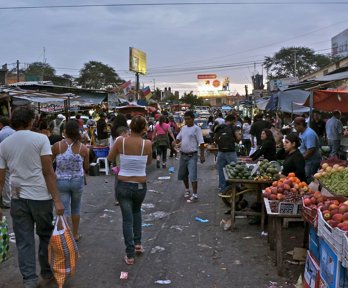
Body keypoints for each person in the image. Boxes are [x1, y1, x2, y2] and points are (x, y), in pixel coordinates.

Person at [0, 107, 64, 288]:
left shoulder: (4, 144)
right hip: (40, 197)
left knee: (24, 240)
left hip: (17, 198)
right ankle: (46, 272)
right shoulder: (41, 139)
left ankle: (29, 280)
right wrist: (57, 200)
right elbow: (48, 171)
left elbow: (0, 178)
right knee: (44, 235)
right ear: (32, 121)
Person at [107, 116, 152, 265]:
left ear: (130, 127)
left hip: (124, 185)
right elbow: (149, 163)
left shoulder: (121, 141)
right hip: (140, 185)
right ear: (144, 128)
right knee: (137, 212)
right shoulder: (147, 143)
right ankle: (138, 243)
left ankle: (130, 254)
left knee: (127, 219)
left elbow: (110, 157)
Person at [51, 120, 89, 242]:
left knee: (64, 209)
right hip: (77, 180)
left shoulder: (57, 146)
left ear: (65, 131)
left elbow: (49, 163)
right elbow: (86, 167)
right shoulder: (83, 148)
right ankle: (75, 234)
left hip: (61, 180)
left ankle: (64, 236)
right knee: (76, 208)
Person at [175, 110, 205, 203]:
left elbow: (201, 143)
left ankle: (195, 194)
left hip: (192, 155)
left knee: (193, 175)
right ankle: (187, 190)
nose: (187, 121)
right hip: (183, 155)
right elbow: (178, 138)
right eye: (185, 119)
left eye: (188, 119)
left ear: (193, 119)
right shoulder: (183, 128)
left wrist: (202, 155)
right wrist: (175, 143)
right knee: (184, 174)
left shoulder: (197, 129)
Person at [214, 115, 242, 192]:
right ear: (233, 120)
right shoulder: (234, 127)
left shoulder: (219, 127)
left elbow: (215, 139)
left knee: (221, 171)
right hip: (231, 152)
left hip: (220, 152)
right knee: (234, 171)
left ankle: (222, 189)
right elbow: (238, 138)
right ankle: (234, 189)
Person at [294, 117, 322, 183]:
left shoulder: (309, 134)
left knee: (309, 179)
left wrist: (300, 159)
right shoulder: (302, 132)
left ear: (301, 124)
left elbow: (311, 150)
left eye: (295, 126)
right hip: (307, 161)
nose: (295, 128)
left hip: (311, 162)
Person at [0, 116, 15, 209]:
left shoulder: (1, 133)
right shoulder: (14, 132)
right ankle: (14, 197)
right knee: (13, 177)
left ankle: (7, 201)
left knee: (5, 179)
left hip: (4, 158)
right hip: (15, 157)